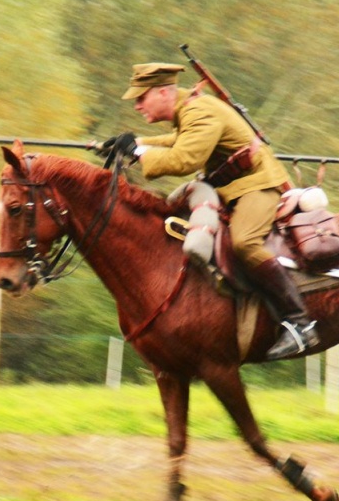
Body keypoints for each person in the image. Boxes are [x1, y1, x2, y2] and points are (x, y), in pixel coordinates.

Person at [104, 62, 319, 360]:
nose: (137, 106)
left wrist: (138, 153)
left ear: (164, 92)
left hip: (257, 185)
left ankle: (299, 323)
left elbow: (185, 159)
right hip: (231, 188)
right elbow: (177, 141)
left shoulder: (199, 111)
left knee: (245, 243)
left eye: (141, 98)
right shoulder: (188, 110)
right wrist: (133, 144)